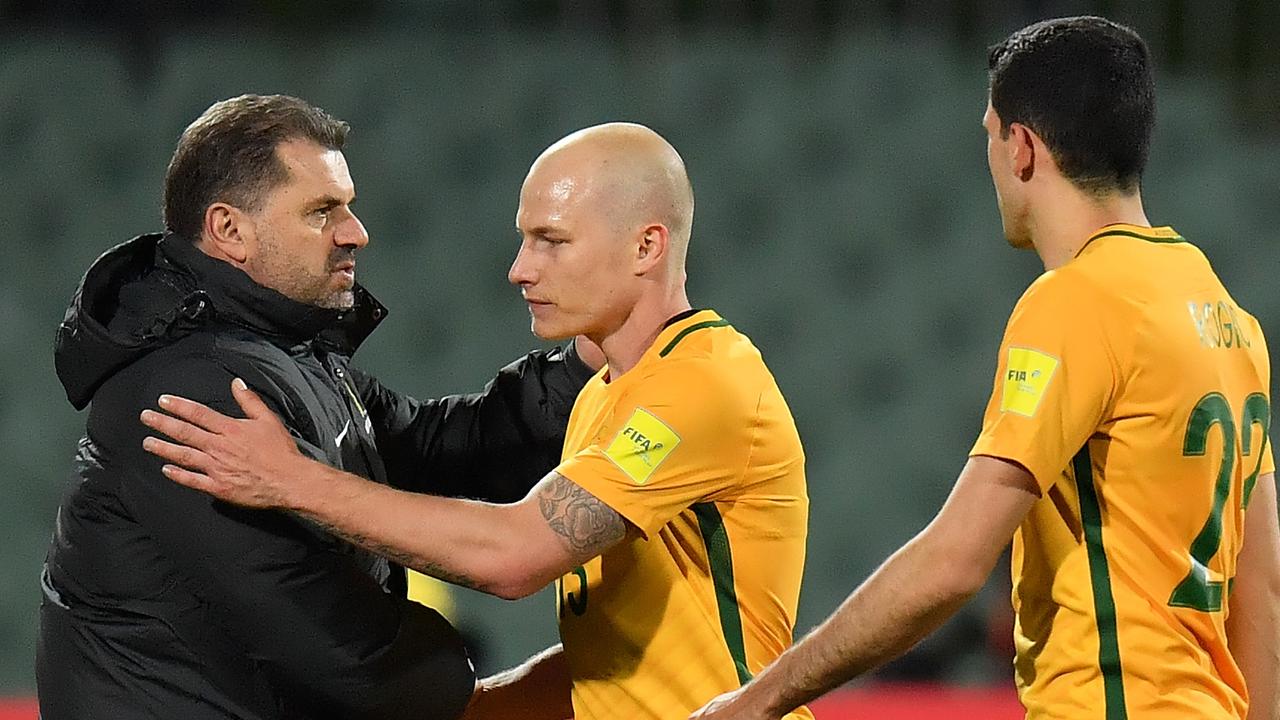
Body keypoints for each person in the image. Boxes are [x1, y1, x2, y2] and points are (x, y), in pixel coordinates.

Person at [689, 16, 1280, 720]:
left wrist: (764, 698)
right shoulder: (1226, 316)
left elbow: (954, 562)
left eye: (990, 136)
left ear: (1022, 147)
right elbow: (1263, 583)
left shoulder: (1077, 301)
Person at [139, 122, 815, 720]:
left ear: (647, 247)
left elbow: (516, 556)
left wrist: (292, 481)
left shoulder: (701, 384)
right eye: (524, 240)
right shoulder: (608, 395)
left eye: (551, 241)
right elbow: (617, 661)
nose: (521, 269)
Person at [37, 94, 598, 720]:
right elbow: (346, 660)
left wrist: (585, 367)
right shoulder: (194, 393)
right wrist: (463, 676)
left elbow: (438, 445)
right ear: (230, 230)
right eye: (322, 211)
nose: (356, 232)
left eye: (348, 206)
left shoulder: (278, 356)